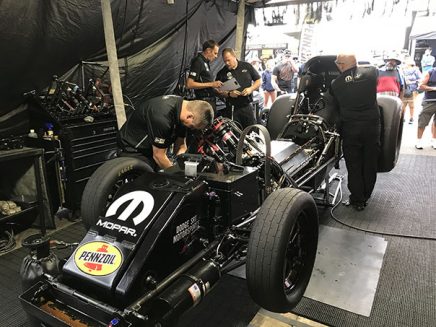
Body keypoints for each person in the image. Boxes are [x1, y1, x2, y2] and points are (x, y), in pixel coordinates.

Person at [330, 53, 380, 211]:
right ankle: (366, 195)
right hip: (372, 126)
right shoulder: (371, 73)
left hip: (351, 128)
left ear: (341, 65)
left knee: (354, 164)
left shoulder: (335, 83)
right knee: (370, 161)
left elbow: (334, 102)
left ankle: (357, 199)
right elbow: (367, 71)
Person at [118, 95, 214, 170]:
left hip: (153, 148)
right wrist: (176, 176)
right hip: (133, 148)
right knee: (150, 181)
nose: (191, 129)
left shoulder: (183, 109)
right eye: (192, 126)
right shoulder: (162, 118)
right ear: (189, 116)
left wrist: (180, 164)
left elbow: (180, 144)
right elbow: (158, 156)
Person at [216, 48, 261, 129]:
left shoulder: (246, 66)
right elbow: (218, 91)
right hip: (232, 108)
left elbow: (258, 80)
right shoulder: (222, 73)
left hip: (247, 106)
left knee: (251, 131)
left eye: (228, 60)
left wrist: (251, 89)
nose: (227, 63)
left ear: (234, 56)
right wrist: (229, 94)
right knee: (235, 134)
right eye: (225, 61)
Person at [186, 40, 223, 112]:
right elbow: (189, 84)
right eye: (215, 53)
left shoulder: (205, 62)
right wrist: (212, 84)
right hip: (203, 102)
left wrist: (214, 89)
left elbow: (204, 82)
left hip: (210, 101)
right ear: (208, 50)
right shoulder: (198, 61)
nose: (216, 56)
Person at [415, 66, 436, 149]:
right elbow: (421, 86)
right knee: (423, 121)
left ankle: (434, 140)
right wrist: (433, 88)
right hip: (430, 101)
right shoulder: (431, 72)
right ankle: (418, 141)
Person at [401, 58, 422, 124]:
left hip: (412, 89)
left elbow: (420, 79)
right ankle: (403, 117)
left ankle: (411, 118)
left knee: (411, 104)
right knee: (403, 104)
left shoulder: (416, 70)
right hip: (404, 89)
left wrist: (412, 82)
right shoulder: (402, 70)